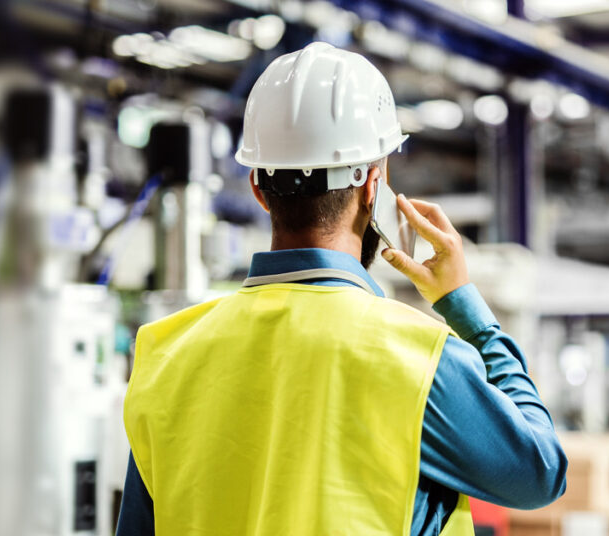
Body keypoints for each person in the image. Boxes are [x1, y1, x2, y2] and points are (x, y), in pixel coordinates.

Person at [116, 42, 567, 536]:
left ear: (258, 189)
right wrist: (467, 310)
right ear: (375, 187)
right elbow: (541, 471)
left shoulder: (165, 355)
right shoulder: (420, 359)